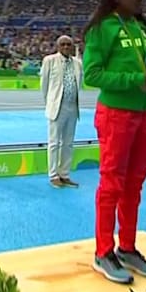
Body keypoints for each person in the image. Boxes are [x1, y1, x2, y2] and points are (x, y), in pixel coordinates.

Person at [82, 0, 146, 285]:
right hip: (116, 115)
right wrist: (138, 80)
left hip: (144, 115)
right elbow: (91, 76)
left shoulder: (140, 27)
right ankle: (103, 252)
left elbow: (141, 70)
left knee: (134, 184)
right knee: (112, 185)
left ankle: (128, 248)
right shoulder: (101, 30)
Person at [39, 35, 82, 188]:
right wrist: (49, 103)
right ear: (58, 46)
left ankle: (64, 174)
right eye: (62, 44)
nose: (66, 47)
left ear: (72, 46)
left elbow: (80, 84)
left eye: (68, 44)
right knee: (54, 143)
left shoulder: (77, 63)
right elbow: (44, 85)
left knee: (68, 143)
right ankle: (53, 175)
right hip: (57, 106)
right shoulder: (49, 61)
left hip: (72, 107)